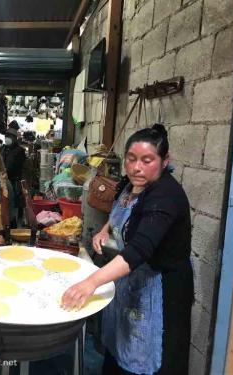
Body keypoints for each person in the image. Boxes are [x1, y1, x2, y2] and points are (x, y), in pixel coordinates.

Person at [61, 124, 193, 375]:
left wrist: (90, 282)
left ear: (165, 161)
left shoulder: (166, 196)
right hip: (131, 279)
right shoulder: (131, 184)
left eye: (147, 160)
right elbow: (122, 212)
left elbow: (140, 249)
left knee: (147, 356)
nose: (137, 167)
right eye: (131, 159)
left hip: (160, 287)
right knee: (120, 345)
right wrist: (105, 230)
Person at [0, 128, 26, 227]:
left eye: (10, 136)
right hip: (4, 180)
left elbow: (18, 166)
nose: (7, 138)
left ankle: (16, 226)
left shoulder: (20, 151)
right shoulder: (3, 148)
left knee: (16, 205)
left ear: (15, 138)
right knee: (7, 205)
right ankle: (8, 224)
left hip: (15, 181)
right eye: (6, 136)